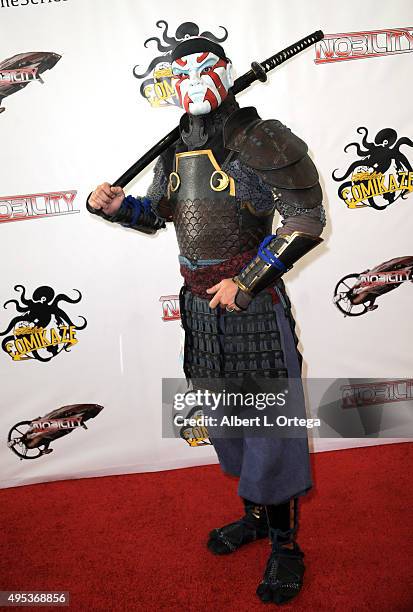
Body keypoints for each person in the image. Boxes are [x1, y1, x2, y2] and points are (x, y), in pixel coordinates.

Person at [87, 35, 325, 605]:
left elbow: (305, 219)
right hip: (198, 309)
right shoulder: (175, 149)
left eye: (202, 71)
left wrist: (245, 284)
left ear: (223, 72)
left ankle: (286, 545)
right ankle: (255, 517)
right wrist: (121, 209)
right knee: (227, 424)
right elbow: (161, 214)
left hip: (250, 306)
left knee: (271, 427)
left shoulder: (260, 138)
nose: (190, 85)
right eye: (179, 74)